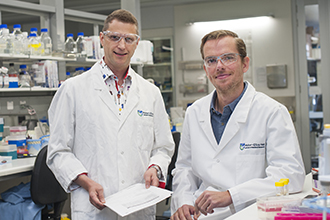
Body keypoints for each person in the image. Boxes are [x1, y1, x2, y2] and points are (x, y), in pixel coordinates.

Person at [47, 9, 174, 220]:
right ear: (102, 39)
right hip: (95, 209)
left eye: (128, 39)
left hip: (138, 208)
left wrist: (155, 167)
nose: (121, 45)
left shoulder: (150, 92)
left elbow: (163, 147)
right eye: (114, 37)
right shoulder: (73, 89)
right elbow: (58, 151)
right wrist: (85, 181)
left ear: (137, 43)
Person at [170, 30, 305, 220]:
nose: (219, 66)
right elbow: (185, 168)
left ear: (245, 63)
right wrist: (183, 202)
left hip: (250, 214)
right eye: (211, 60)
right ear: (205, 68)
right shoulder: (194, 112)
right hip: (200, 215)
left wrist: (231, 195)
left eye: (228, 58)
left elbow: (290, 176)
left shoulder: (272, 112)